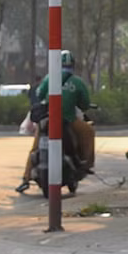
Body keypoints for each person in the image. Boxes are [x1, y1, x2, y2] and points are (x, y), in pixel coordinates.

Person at [15, 52, 94, 193]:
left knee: (35, 147)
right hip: (68, 119)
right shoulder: (77, 82)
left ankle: (25, 179)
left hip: (46, 119)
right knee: (89, 132)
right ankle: (86, 164)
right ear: (73, 66)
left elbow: (39, 94)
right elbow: (85, 103)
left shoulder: (49, 78)